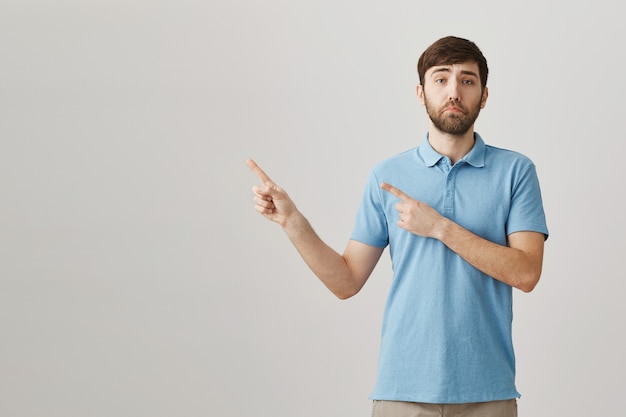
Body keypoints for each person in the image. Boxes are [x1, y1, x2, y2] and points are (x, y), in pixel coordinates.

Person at [247, 35, 548, 417]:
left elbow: (526, 273)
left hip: (488, 392)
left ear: (484, 95)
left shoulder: (515, 171)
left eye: (467, 80)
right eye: (441, 79)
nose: (453, 91)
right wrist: (292, 221)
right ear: (421, 93)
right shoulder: (387, 175)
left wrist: (440, 227)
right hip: (402, 392)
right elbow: (346, 282)